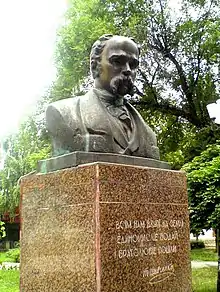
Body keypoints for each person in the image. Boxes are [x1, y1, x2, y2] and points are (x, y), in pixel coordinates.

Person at [46, 34, 160, 159]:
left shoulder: (148, 134)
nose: (127, 70)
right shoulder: (63, 113)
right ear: (95, 66)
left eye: (133, 64)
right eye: (117, 61)